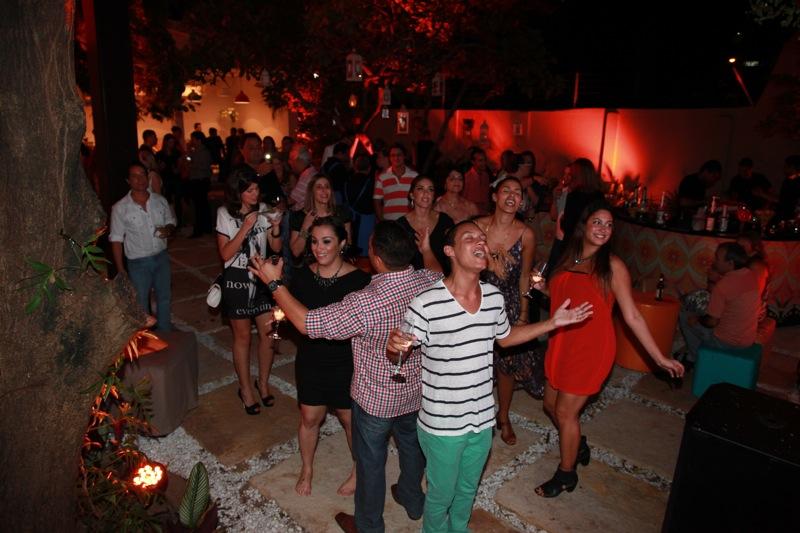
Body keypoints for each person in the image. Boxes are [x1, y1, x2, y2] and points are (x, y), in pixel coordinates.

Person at [386, 220, 592, 532]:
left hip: (482, 420)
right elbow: (398, 353)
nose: (480, 241)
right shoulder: (426, 303)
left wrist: (552, 323)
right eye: (470, 237)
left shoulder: (494, 297)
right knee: (441, 495)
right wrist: (393, 347)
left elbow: (505, 338)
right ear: (449, 251)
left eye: (483, 238)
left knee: (467, 490)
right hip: (442, 424)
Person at [249, 221, 440, 533]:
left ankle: (368, 526)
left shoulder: (366, 301)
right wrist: (428, 250)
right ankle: (412, 498)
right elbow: (435, 270)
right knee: (411, 447)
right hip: (415, 392)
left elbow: (309, 323)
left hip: (375, 400)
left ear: (376, 257)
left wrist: (273, 283)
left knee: (371, 462)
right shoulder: (429, 281)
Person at [534, 200, 684, 497]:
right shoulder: (569, 256)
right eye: (597, 222)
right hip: (561, 341)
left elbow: (632, 316)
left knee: (565, 413)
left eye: (609, 225)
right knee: (550, 405)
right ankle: (577, 443)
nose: (603, 229)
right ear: (584, 226)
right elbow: (562, 294)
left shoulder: (613, 267)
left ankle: (566, 474)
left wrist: (659, 357)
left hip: (590, 348)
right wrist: (543, 288)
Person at [287, 216, 371, 497]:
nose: (318, 248)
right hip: (310, 359)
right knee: (309, 417)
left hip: (346, 362)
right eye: (314, 241)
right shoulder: (302, 276)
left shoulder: (360, 280)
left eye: (326, 241)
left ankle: (358, 469)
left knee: (349, 420)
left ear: (342, 243)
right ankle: (307, 468)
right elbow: (294, 314)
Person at [474, 177, 539, 445]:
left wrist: (523, 314)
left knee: (506, 366)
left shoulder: (527, 234)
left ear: (521, 201)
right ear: (495, 196)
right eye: (506, 191)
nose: (512, 196)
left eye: (517, 193)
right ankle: (476, 417)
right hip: (477, 300)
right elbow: (462, 262)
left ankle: (503, 415)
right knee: (476, 364)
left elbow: (525, 277)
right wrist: (490, 262)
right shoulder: (477, 227)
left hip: (508, 303)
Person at [216, 167, 283, 415]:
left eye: (257, 189)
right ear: (238, 192)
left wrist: (275, 227)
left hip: (261, 276)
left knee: (269, 334)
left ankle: (263, 383)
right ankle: (245, 389)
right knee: (242, 337)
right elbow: (225, 254)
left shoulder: (263, 209)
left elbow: (276, 247)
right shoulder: (224, 213)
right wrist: (245, 227)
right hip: (236, 280)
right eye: (249, 190)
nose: (255, 194)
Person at [109, 162, 176, 331]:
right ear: (128, 181)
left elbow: (171, 221)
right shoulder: (120, 208)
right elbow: (116, 239)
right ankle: (146, 338)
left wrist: (168, 229)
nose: (140, 179)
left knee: (164, 298)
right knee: (141, 303)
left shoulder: (160, 201)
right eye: (135, 176)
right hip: (138, 263)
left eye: (142, 174)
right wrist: (121, 269)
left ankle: (165, 331)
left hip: (161, 257)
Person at [678, 241, 763, 368]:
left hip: (725, 342)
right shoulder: (751, 275)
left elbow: (711, 322)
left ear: (730, 263)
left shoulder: (723, 286)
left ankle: (693, 357)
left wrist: (697, 319)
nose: (715, 261)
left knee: (685, 316)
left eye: (717, 258)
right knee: (703, 311)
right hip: (748, 339)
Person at [546, 158, 604, 275]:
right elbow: (554, 216)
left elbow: (567, 224)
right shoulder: (598, 196)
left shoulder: (575, 196)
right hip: (588, 244)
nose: (568, 177)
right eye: (566, 174)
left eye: (571, 174)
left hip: (570, 244)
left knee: (557, 276)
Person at [397, 175, 454, 272]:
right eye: (420, 188)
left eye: (430, 189)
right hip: (412, 279)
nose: (426, 193)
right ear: (412, 195)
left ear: (434, 196)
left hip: (443, 277)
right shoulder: (400, 225)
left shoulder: (445, 220)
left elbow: (454, 253)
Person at [289, 174, 352, 261]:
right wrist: (305, 227)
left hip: (336, 263)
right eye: (319, 187)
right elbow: (296, 252)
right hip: (310, 265)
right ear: (312, 192)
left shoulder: (341, 213)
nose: (324, 190)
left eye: (327, 187)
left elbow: (348, 243)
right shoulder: (300, 217)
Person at [373, 143, 417, 221]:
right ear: (389, 158)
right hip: (389, 221)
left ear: (404, 156)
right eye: (393, 155)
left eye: (399, 155)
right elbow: (377, 201)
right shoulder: (382, 177)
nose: (396, 158)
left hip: (409, 221)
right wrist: (382, 220)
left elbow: (417, 199)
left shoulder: (414, 176)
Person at [344, 153, 376, 256]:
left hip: (350, 220)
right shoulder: (372, 183)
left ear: (355, 167)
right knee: (366, 251)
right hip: (367, 221)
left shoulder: (347, 182)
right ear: (369, 168)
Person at [186, 130, 213, 237]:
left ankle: (200, 229)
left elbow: (204, 166)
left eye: (193, 139)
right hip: (196, 180)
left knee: (200, 206)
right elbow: (189, 159)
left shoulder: (204, 152)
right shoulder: (195, 151)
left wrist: (192, 166)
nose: (191, 141)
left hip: (200, 181)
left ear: (199, 140)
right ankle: (205, 228)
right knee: (201, 205)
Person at [288, 143, 318, 211]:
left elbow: (291, 201)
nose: (289, 163)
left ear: (298, 160)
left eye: (291, 160)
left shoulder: (306, 176)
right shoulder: (312, 171)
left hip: (301, 214)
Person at [463, 147, 492, 214]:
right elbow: (463, 198)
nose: (484, 163)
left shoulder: (486, 176)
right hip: (470, 213)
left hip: (484, 213)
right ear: (473, 162)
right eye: (480, 160)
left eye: (485, 160)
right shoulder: (467, 177)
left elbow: (486, 196)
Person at [775, 154, 800, 222]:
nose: (783, 168)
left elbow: (784, 201)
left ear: (792, 167)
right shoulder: (787, 181)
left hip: (792, 218)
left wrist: (762, 194)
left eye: (785, 166)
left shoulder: (795, 183)